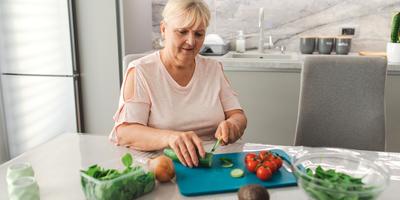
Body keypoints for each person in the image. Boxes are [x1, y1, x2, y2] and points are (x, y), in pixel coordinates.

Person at [110, 0, 247, 168]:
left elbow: (238, 116)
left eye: (198, 34)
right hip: (165, 165)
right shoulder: (140, 71)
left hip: (217, 163)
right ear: (163, 29)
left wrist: (233, 125)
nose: (191, 42)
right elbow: (125, 133)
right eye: (182, 32)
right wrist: (170, 138)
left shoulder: (213, 69)